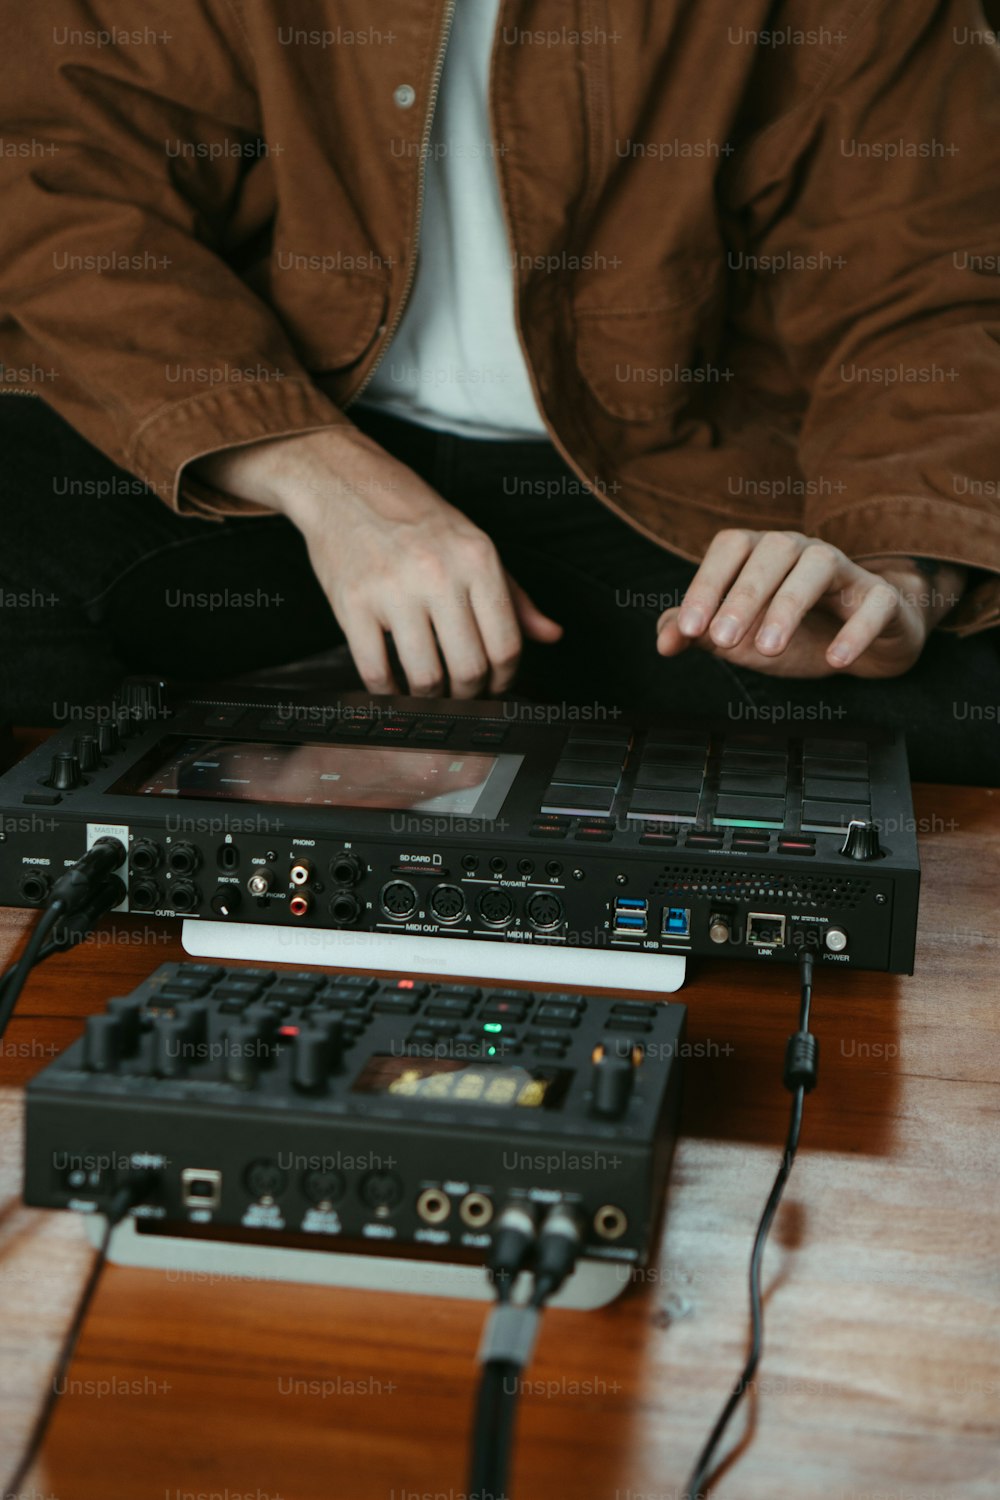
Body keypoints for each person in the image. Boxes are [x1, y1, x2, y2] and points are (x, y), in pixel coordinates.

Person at [0, 1, 997, 783]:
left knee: (946, 709)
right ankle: (153, 979)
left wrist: (895, 566)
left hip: (687, 492)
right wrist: (314, 471)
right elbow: (62, 182)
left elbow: (931, 285)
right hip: (276, 440)